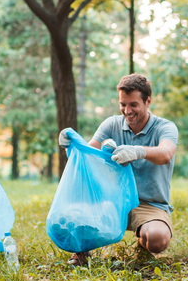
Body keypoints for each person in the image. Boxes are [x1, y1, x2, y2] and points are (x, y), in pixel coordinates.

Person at [58, 74, 178, 265]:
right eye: (123, 104)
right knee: (71, 215)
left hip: (149, 204)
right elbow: (88, 158)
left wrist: (138, 151)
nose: (127, 111)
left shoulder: (164, 127)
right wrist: (70, 146)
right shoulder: (111, 124)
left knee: (157, 239)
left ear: (148, 101)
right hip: (110, 199)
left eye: (133, 105)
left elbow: (165, 154)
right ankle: (81, 253)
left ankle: (143, 240)